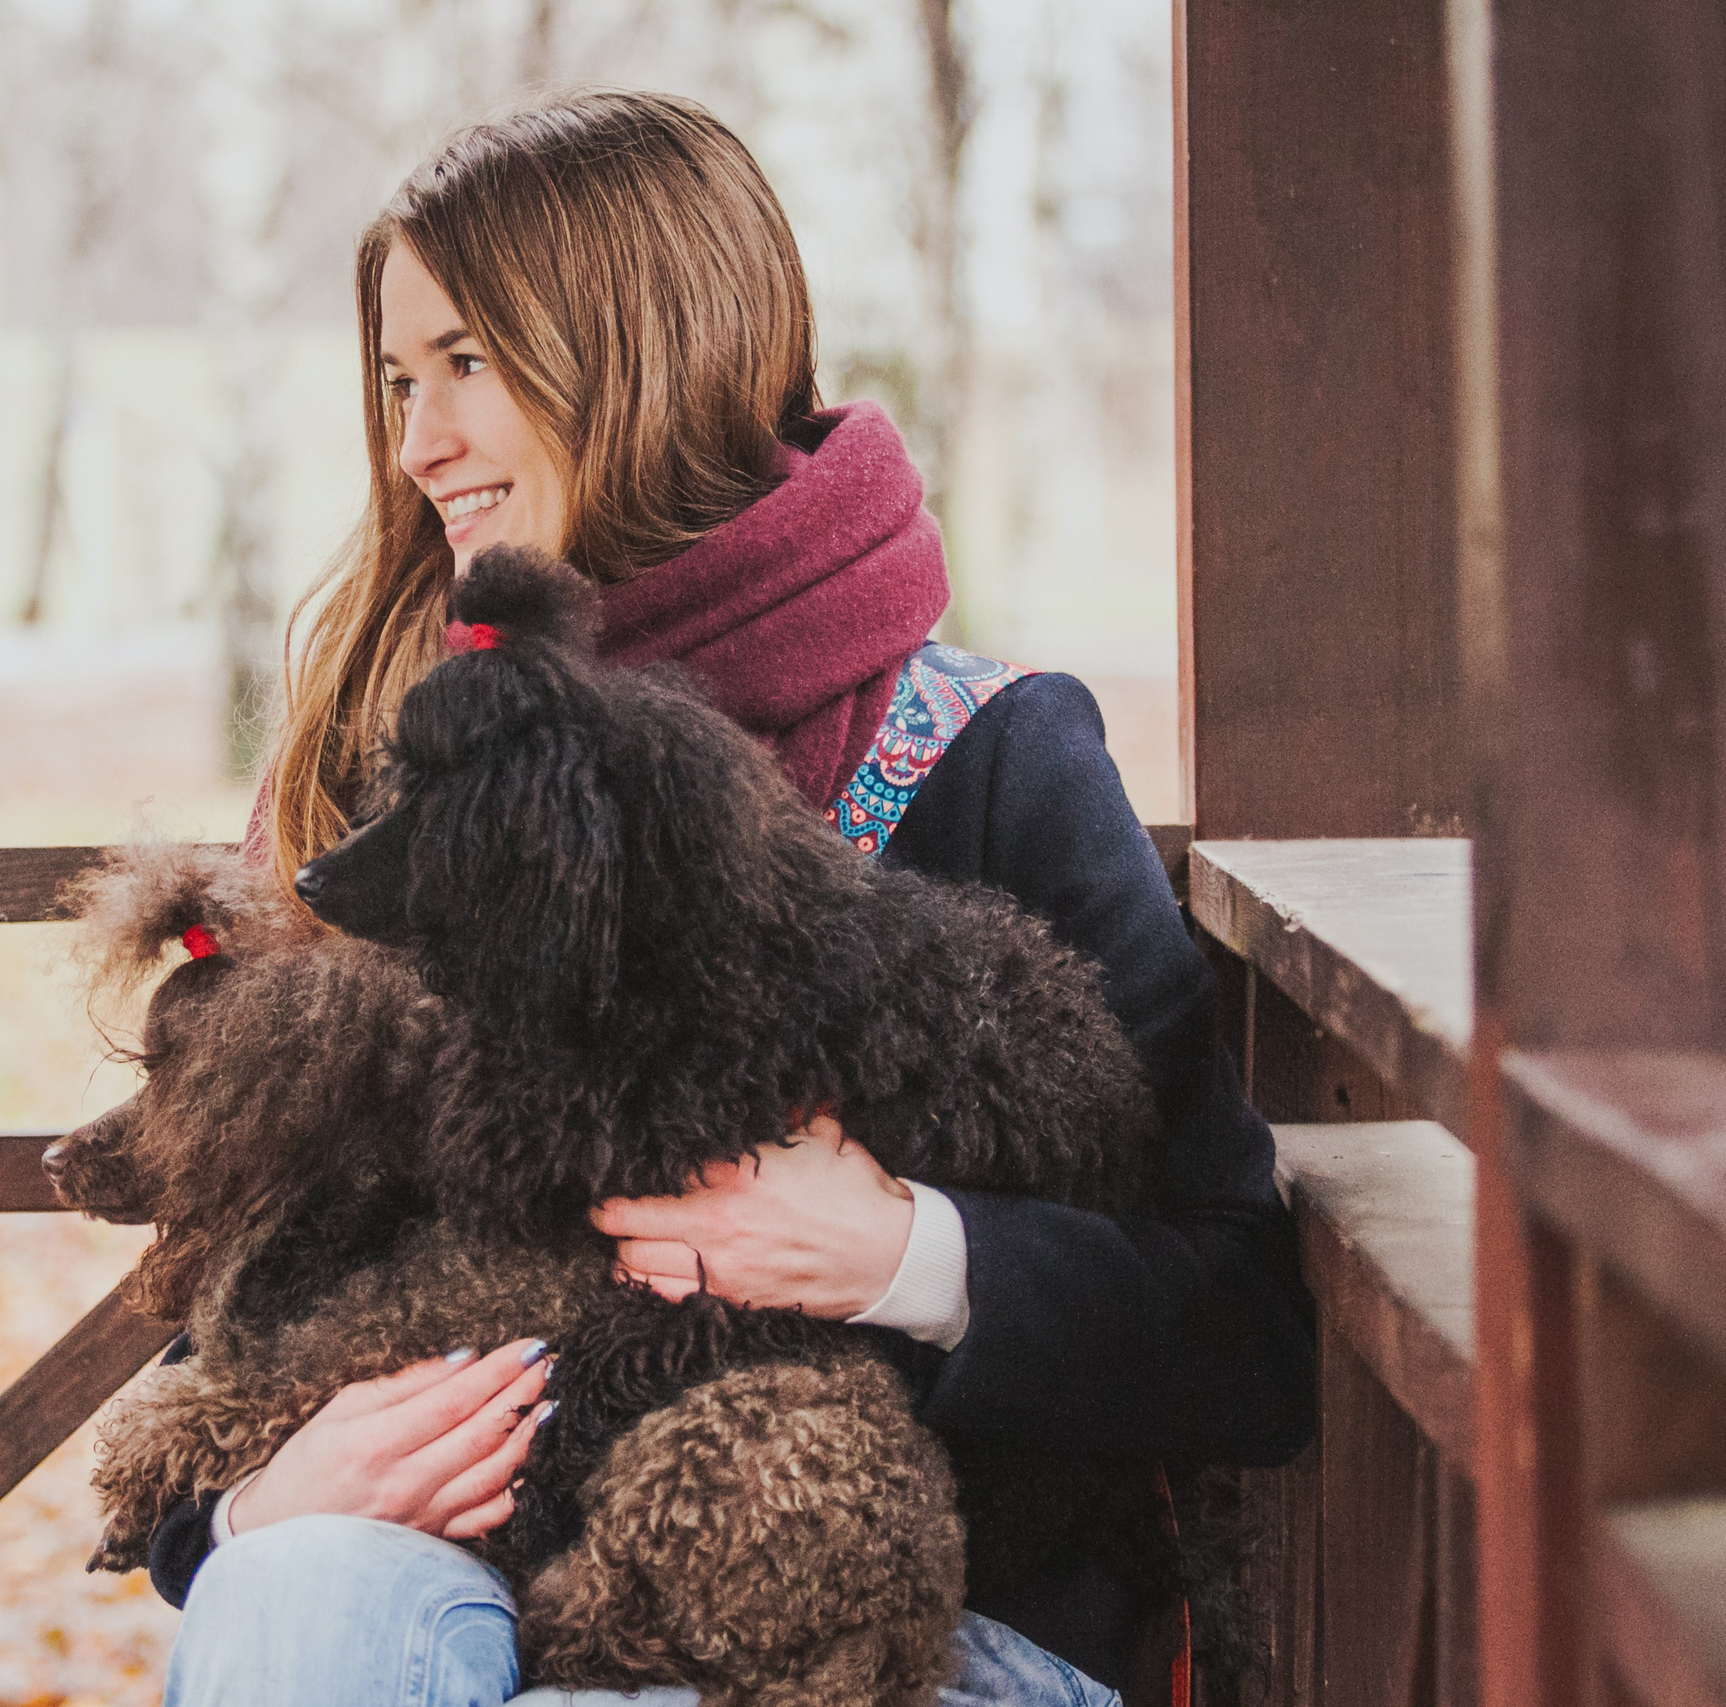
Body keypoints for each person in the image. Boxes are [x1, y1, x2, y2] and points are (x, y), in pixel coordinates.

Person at [150, 89, 1316, 1706]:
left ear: (645, 350)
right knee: (293, 1597)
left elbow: (1241, 1326)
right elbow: (244, 1298)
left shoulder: (984, 752)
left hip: (911, 1625)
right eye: (400, 380)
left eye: (467, 363)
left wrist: (898, 1253)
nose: (417, 445)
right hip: (466, 1595)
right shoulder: (396, 766)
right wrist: (252, 1508)